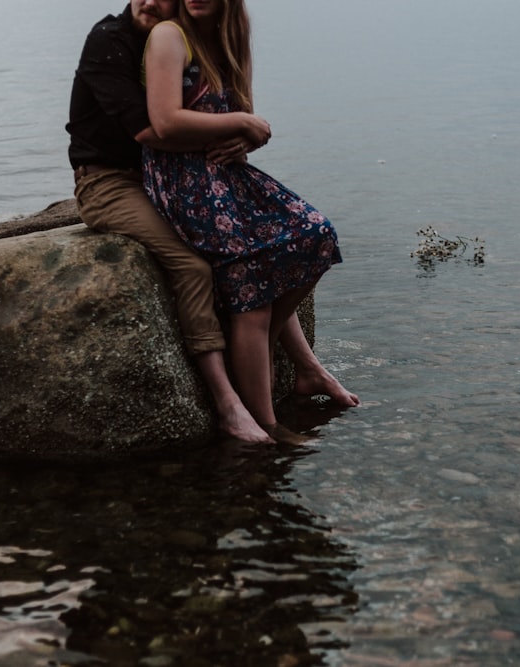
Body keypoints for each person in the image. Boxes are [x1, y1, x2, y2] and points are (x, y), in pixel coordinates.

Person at [66, 0, 357, 445]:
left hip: (183, 170)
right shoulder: (116, 39)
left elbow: (232, 121)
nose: (150, 2)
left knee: (308, 237)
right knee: (208, 271)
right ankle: (235, 405)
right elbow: (154, 130)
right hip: (113, 178)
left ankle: (296, 364)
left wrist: (244, 138)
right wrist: (243, 125)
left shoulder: (217, 38)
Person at [141, 0, 343, 443]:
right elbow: (164, 121)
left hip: (223, 171)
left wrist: (245, 135)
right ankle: (267, 423)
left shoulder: (231, 39)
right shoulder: (170, 36)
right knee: (251, 276)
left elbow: (245, 133)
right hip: (178, 177)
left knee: (317, 233)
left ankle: (260, 350)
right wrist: (246, 123)